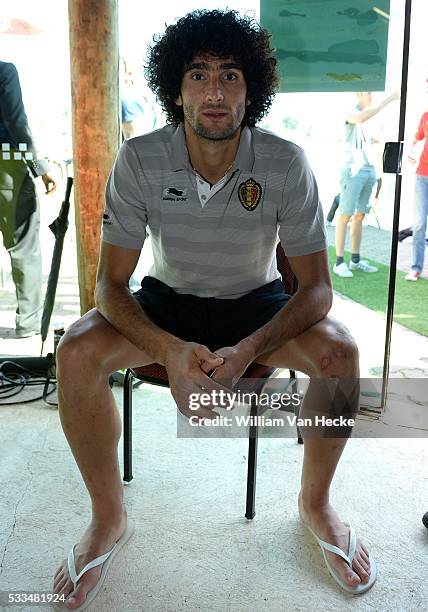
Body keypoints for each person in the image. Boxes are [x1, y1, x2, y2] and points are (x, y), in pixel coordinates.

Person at [52, 10, 375, 609]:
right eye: (198, 76)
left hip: (257, 307)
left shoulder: (285, 162)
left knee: (341, 352)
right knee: (75, 349)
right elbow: (110, 287)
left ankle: (315, 505)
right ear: (175, 88)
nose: (215, 93)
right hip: (167, 303)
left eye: (230, 76)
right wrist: (169, 351)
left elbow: (317, 291)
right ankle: (107, 517)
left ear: (252, 89)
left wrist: (249, 349)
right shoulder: (140, 159)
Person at [0, 61, 56, 337]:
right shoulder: (4, 71)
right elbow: (15, 121)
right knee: (23, 247)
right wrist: (39, 168)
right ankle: (28, 322)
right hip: (6, 164)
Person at [333, 91, 399, 277]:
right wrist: (389, 99)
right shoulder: (350, 111)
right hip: (352, 169)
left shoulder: (371, 118)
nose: (372, 96)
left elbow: (375, 139)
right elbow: (359, 119)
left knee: (360, 216)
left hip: (369, 169)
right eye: (369, 93)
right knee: (345, 215)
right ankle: (339, 262)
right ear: (360, 93)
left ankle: (355, 259)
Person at [405, 109, 428, 280]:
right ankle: (416, 268)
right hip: (422, 176)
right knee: (419, 223)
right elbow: (416, 138)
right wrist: (410, 152)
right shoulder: (425, 116)